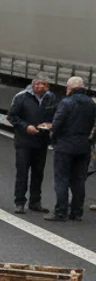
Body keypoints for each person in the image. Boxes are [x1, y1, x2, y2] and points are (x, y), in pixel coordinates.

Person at [44, 77, 96, 222]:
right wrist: (90, 141)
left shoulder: (66, 103)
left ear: (70, 88)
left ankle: (60, 212)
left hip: (65, 145)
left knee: (62, 179)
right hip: (83, 146)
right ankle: (77, 212)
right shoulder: (91, 103)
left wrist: (53, 140)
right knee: (79, 180)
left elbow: (56, 124)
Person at [6, 73, 57, 214]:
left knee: (38, 173)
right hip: (24, 141)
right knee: (22, 172)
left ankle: (35, 202)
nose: (40, 86)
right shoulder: (22, 97)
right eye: (37, 84)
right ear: (33, 84)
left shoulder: (51, 98)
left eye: (43, 84)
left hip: (41, 141)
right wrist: (25, 127)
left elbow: (56, 115)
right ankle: (20, 202)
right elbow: (11, 116)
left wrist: (50, 124)